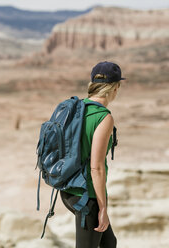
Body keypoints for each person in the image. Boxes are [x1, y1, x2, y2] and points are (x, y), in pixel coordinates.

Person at [60, 61, 125, 248]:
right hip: (86, 196)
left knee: (109, 243)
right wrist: (103, 207)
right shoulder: (103, 117)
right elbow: (96, 168)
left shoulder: (76, 109)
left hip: (68, 191)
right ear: (115, 88)